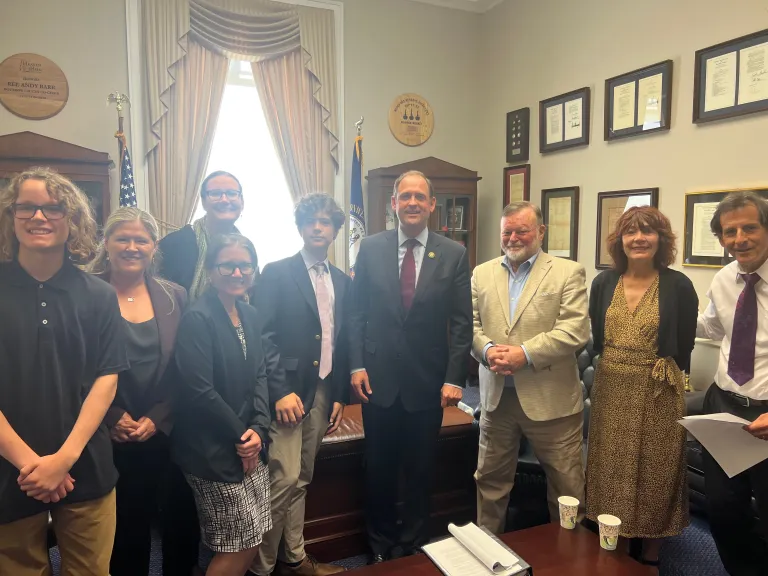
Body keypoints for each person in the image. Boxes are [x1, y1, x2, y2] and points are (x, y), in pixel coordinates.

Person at [0, 168, 128, 576]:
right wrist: (30, 465)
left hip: (86, 465)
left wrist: (63, 460)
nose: (39, 217)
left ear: (72, 219)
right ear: (11, 215)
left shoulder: (100, 295)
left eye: (53, 208)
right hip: (8, 471)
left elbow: (107, 379)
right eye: (27, 207)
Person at [348, 170, 472, 563]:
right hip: (378, 381)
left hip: (427, 383)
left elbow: (462, 322)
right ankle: (381, 544)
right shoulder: (369, 247)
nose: (413, 203)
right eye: (406, 197)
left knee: (421, 469)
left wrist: (455, 378)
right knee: (379, 469)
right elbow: (355, 313)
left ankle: (416, 542)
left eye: (421, 196)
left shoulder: (453, 253)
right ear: (394, 204)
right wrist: (355, 366)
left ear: (432, 205)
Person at [588, 206, 697, 565]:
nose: (639, 238)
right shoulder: (604, 282)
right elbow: (596, 337)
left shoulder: (678, 285)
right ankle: (613, 542)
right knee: (610, 465)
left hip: (658, 389)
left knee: (656, 467)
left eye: (648, 231)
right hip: (611, 386)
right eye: (631, 232)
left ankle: (651, 550)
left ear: (660, 240)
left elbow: (685, 344)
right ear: (619, 240)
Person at [472, 201, 590, 534]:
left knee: (567, 490)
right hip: (496, 401)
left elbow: (574, 330)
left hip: (551, 403)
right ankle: (487, 553)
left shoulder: (568, 272)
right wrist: (489, 349)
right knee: (490, 482)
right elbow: (470, 325)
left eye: (521, 230)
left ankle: (568, 560)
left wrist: (525, 353)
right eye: (506, 231)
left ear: (540, 231)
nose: (513, 238)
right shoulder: (482, 273)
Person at [86, 207, 190, 576]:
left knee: (171, 522)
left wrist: (157, 418)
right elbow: (73, 367)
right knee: (122, 528)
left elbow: (184, 367)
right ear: (106, 243)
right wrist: (114, 417)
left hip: (162, 430)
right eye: (122, 239)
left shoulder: (174, 296)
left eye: (141, 239)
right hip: (101, 433)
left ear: (153, 246)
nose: (132, 247)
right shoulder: (84, 292)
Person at [250, 193, 348, 576]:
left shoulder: (342, 279)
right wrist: (279, 390)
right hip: (287, 392)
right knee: (283, 477)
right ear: (300, 227)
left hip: (323, 389)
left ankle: (294, 556)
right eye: (311, 221)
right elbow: (263, 336)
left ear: (336, 230)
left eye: (326, 222)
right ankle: (260, 567)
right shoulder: (276, 272)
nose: (318, 227)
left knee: (303, 477)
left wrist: (338, 393)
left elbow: (341, 339)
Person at [172, 234, 277, 576]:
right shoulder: (197, 318)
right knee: (236, 541)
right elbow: (199, 391)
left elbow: (260, 375)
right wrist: (241, 436)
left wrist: (258, 430)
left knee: (256, 532)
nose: (237, 272)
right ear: (211, 270)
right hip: (211, 449)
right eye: (227, 265)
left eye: (245, 265)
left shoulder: (250, 313)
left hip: (250, 442)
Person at [696, 191, 768, 576]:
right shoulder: (724, 278)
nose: (739, 239)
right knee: (724, 511)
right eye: (729, 232)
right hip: (723, 407)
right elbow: (712, 326)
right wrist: (665, 306)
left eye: (750, 228)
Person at [159, 170, 250, 300]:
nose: (224, 200)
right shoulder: (174, 245)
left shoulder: (245, 249)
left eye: (231, 194)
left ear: (242, 201)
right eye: (215, 194)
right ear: (203, 202)